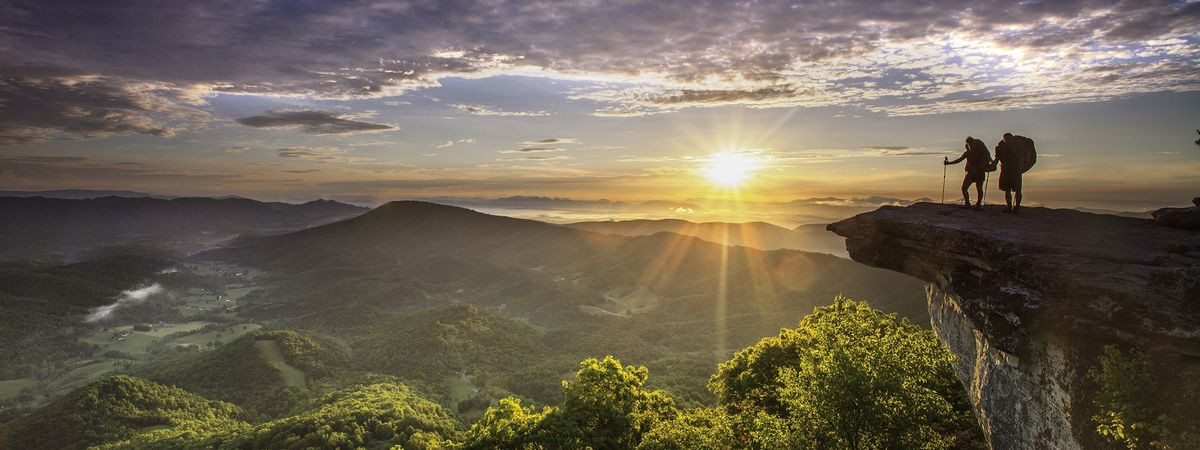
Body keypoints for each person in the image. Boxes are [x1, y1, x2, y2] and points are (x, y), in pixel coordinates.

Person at [944, 136, 991, 209]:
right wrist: (949, 163)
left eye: (972, 144)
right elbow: (959, 160)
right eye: (969, 144)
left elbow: (984, 163)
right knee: (964, 188)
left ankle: (977, 204)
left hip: (979, 173)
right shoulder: (967, 153)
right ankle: (968, 203)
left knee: (978, 189)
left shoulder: (981, 153)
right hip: (971, 173)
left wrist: (948, 163)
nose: (971, 146)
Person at [992, 133, 1027, 214]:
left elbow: (1021, 159)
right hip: (1007, 171)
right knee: (1008, 190)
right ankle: (1010, 207)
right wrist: (991, 166)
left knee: (1017, 190)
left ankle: (1016, 207)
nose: (1007, 140)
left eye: (1008, 139)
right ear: (1004, 140)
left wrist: (1020, 167)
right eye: (1006, 139)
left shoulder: (1017, 148)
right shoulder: (1001, 148)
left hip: (1014, 171)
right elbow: (997, 159)